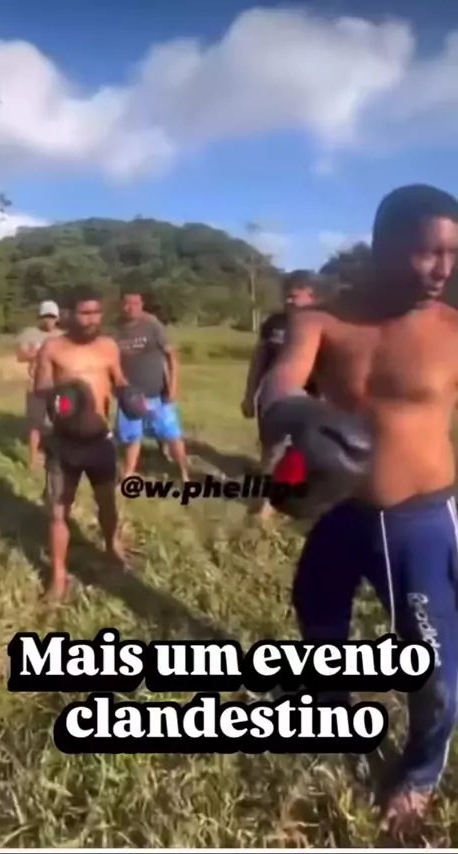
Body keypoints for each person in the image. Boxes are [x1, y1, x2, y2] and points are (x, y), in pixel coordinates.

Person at [269, 184, 458, 833]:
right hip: (340, 511)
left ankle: (419, 775)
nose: (442, 269)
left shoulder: (453, 330)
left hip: (419, 522)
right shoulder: (321, 321)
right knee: (318, 617)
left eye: (452, 254)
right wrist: (294, 414)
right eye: (428, 252)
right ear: (383, 246)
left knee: (435, 669)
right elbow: (281, 383)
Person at [34, 285, 129, 601]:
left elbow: (118, 379)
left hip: (100, 440)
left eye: (97, 312)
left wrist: (130, 396)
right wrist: (62, 399)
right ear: (69, 314)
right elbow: (42, 388)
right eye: (85, 313)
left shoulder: (108, 346)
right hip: (65, 442)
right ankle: (58, 576)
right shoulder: (52, 347)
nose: (92, 319)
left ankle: (112, 547)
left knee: (107, 502)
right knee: (58, 512)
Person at [241, 270, 319, 519]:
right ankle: (267, 499)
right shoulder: (274, 323)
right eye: (286, 295)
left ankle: (283, 499)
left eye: (294, 296)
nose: (288, 300)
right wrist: (250, 394)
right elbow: (258, 360)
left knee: (300, 452)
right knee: (272, 450)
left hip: (309, 399)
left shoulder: (321, 324)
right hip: (274, 397)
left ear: (311, 296)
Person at [115, 290, 189, 482]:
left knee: (172, 435)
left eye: (135, 303)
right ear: (121, 305)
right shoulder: (116, 328)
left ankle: (184, 474)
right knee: (132, 437)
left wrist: (173, 385)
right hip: (129, 395)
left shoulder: (152, 325)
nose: (130, 308)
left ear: (141, 304)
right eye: (127, 303)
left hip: (157, 393)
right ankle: (128, 475)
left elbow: (171, 356)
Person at [15, 300, 62, 467]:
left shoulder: (63, 336)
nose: (49, 320)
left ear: (57, 318)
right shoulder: (29, 334)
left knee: (61, 421)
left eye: (52, 317)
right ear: (40, 317)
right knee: (35, 423)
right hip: (35, 385)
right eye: (45, 316)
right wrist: (37, 353)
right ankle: (33, 460)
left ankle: (59, 456)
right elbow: (20, 356)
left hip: (59, 386)